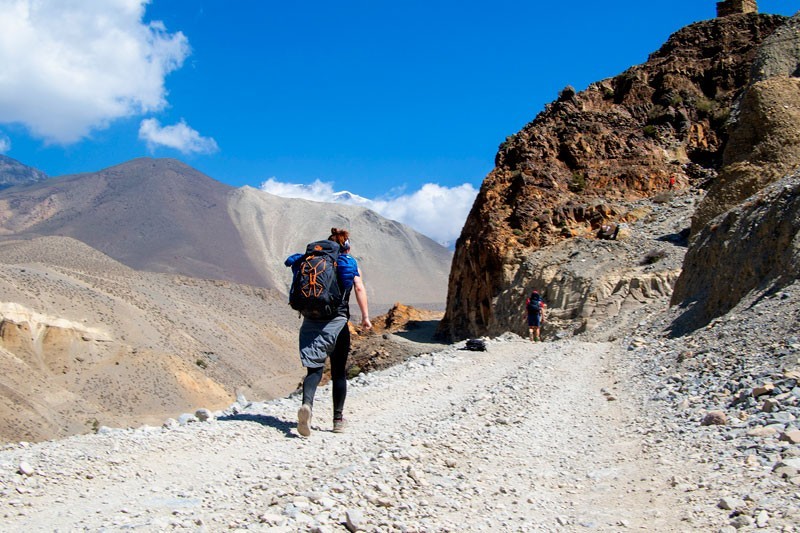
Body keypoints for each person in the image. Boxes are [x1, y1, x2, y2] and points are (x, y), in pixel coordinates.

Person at [285, 228, 371, 436]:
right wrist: (366, 317)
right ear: (346, 246)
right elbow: (358, 288)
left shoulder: (310, 260)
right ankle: (338, 420)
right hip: (338, 321)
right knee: (339, 371)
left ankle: (307, 405)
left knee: (314, 369)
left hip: (312, 319)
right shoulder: (347, 262)